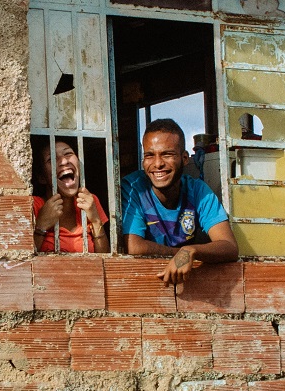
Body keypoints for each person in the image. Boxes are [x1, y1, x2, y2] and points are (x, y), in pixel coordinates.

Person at [121, 118, 237, 287]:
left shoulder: (197, 190)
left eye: (167, 154)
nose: (158, 163)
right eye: (150, 155)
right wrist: (179, 255)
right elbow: (134, 246)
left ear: (184, 158)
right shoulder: (133, 188)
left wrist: (190, 251)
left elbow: (229, 246)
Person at [33, 138, 109, 253]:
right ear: (41, 177)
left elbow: (105, 258)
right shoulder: (34, 205)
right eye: (51, 159)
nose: (64, 161)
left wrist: (96, 220)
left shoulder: (89, 201)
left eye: (68, 153)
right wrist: (41, 226)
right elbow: (22, 261)